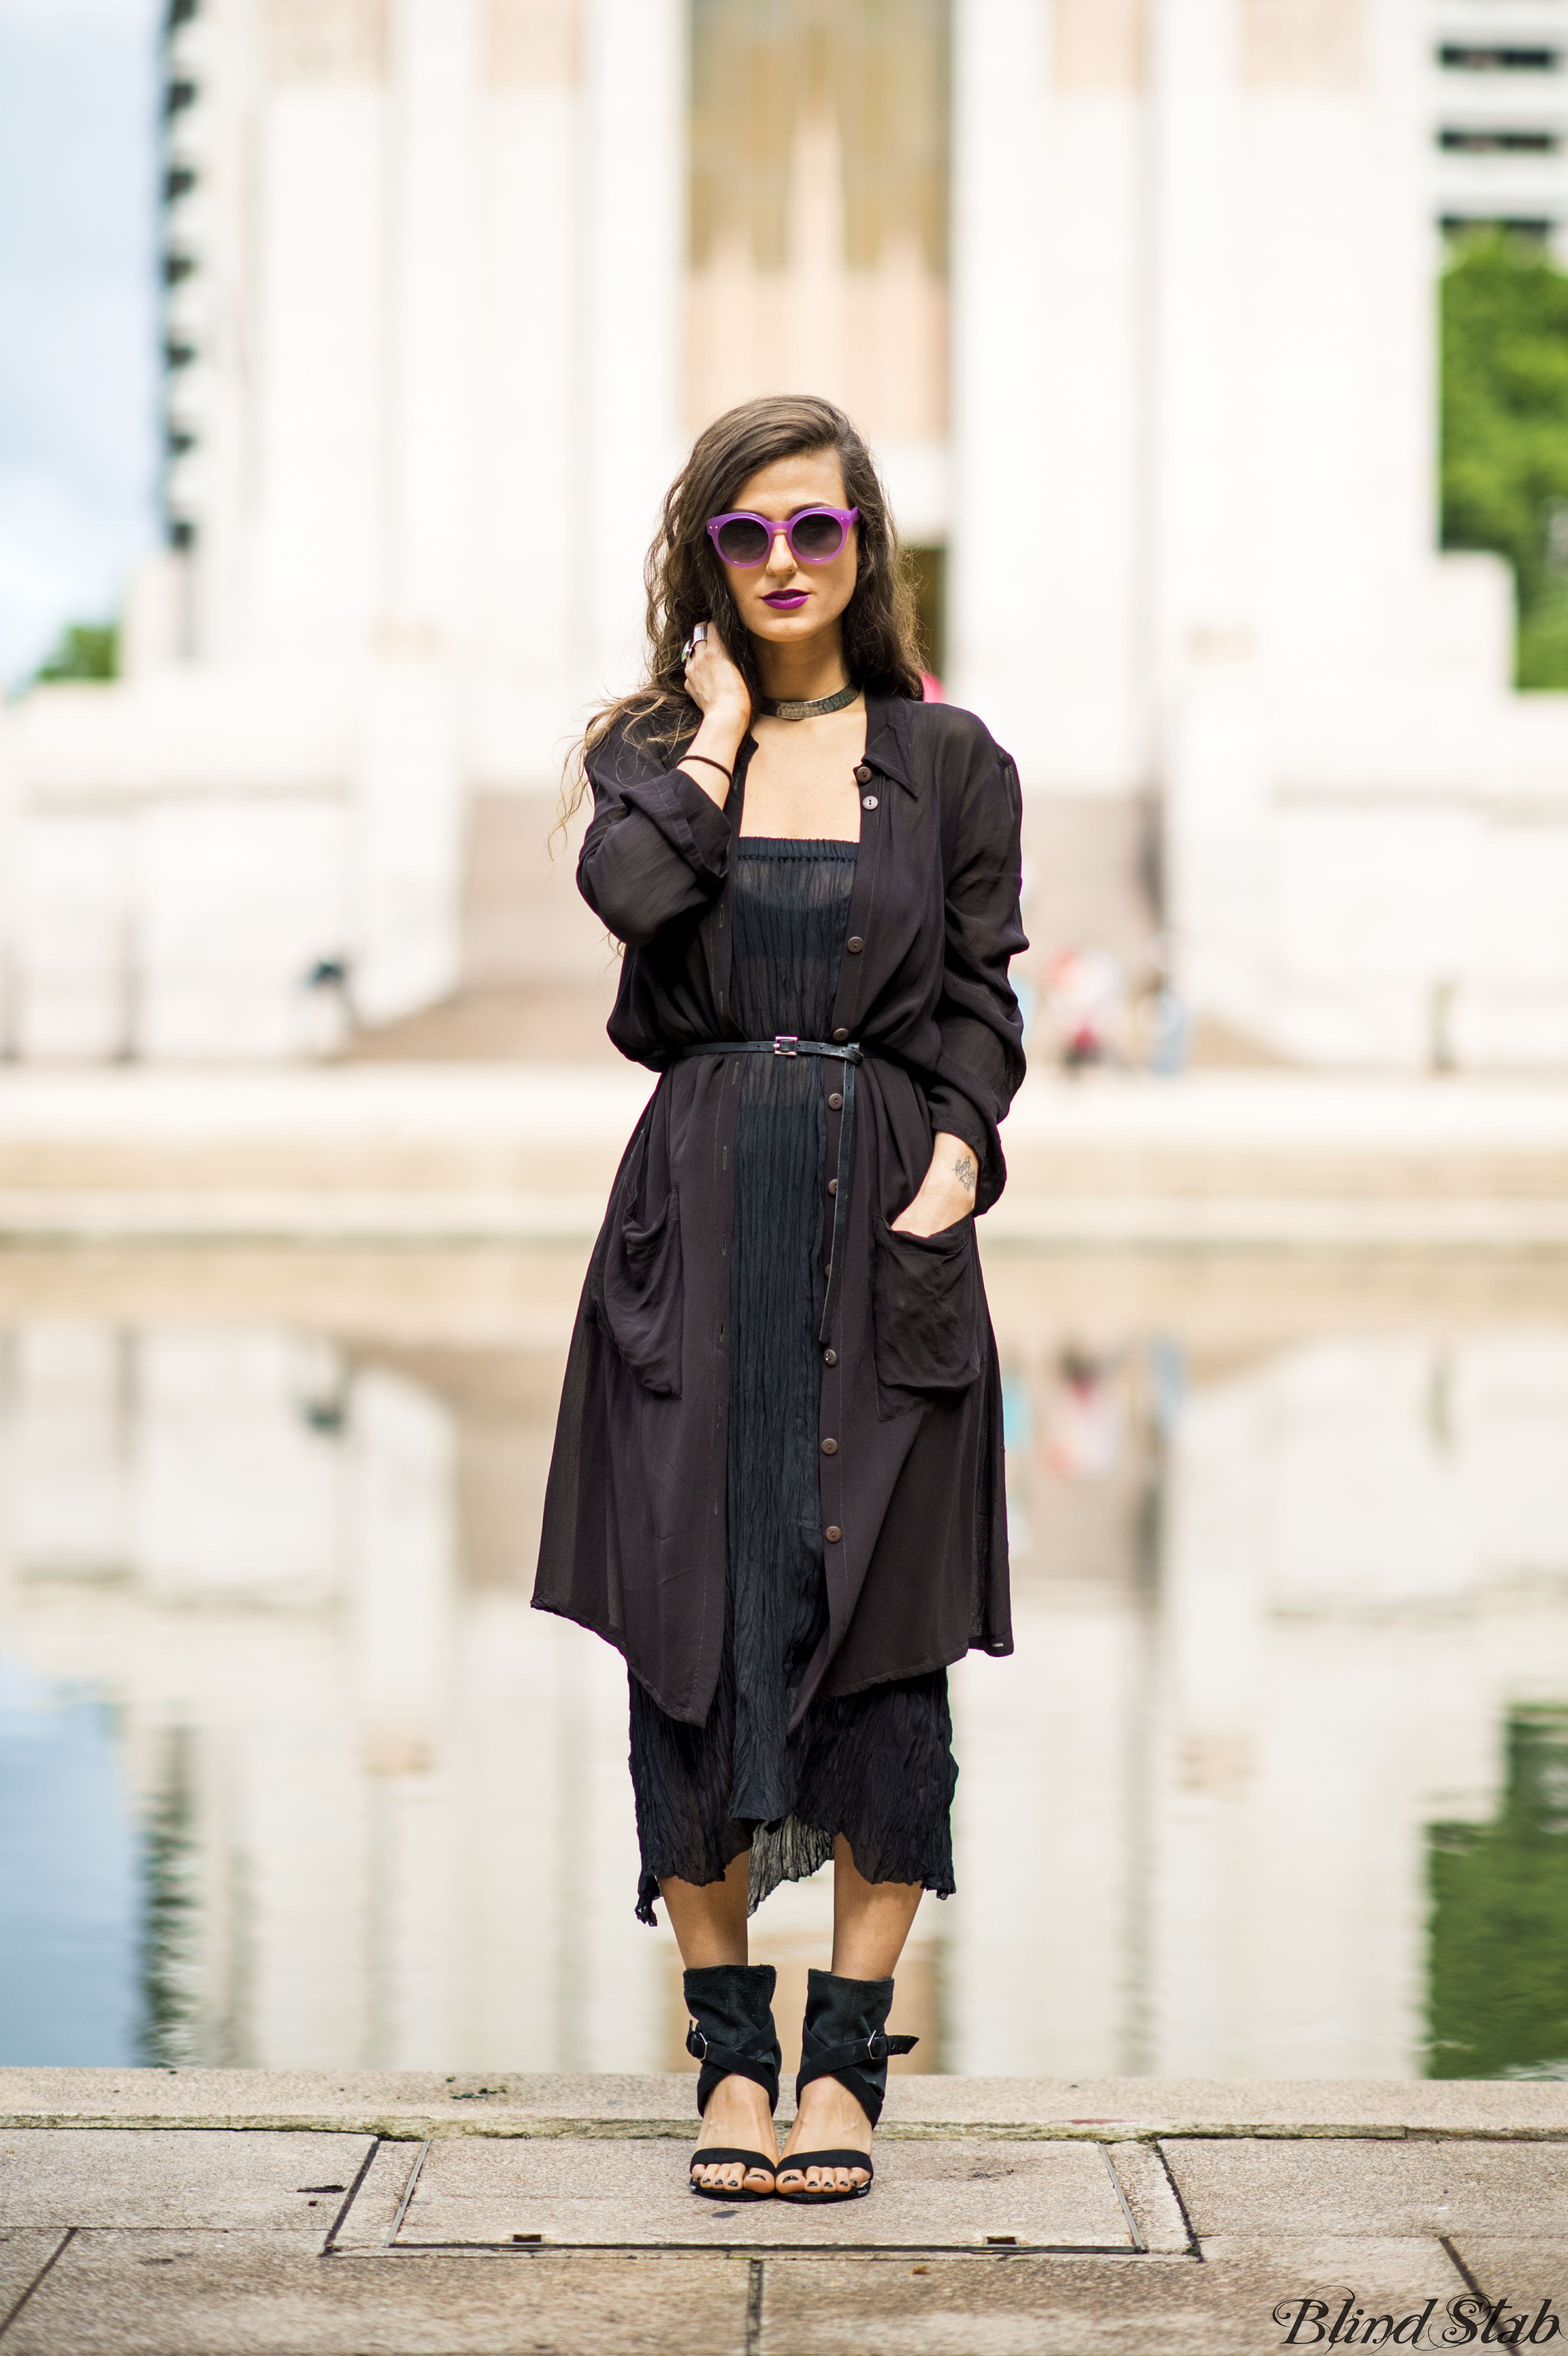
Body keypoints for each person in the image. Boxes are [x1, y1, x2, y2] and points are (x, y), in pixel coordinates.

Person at [534, 394, 1026, 2204]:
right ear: (707, 559)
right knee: (693, 1636)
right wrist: (726, 731)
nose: (786, 565)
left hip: (886, 1215)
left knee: (884, 1643)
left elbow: (981, 993)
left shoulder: (953, 759)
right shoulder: (655, 753)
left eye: (817, 532)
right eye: (749, 536)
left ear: (865, 545)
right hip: (700, 1214)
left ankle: (849, 2069)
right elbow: (632, 895)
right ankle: (728, 2066)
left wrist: (963, 1149)